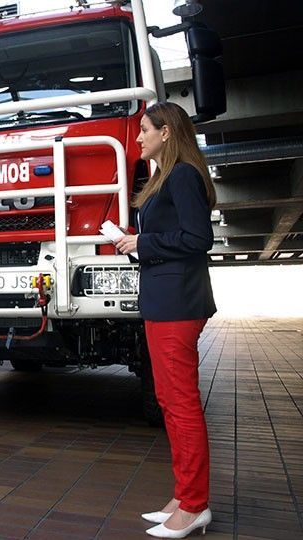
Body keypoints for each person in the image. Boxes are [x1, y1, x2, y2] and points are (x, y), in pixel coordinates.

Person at [114, 102, 217, 539]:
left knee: (182, 403)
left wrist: (143, 240)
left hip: (178, 303)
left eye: (144, 129)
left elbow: (198, 238)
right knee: (168, 400)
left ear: (167, 132)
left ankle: (194, 506)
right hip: (162, 301)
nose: (138, 137)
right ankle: (183, 495)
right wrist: (133, 242)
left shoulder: (183, 175)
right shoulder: (163, 178)